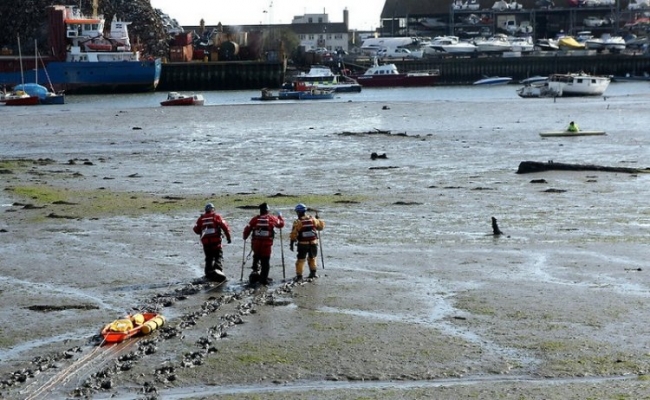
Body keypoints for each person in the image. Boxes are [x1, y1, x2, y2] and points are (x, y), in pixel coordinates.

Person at [243, 202, 285, 285]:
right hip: (266, 245)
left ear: (260, 211)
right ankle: (263, 279)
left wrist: (245, 236)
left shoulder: (255, 219)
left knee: (256, 257)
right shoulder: (271, 218)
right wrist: (280, 216)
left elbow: (247, 228)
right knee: (265, 263)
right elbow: (281, 224)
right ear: (267, 211)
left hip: (256, 244)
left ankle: (255, 273)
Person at [193, 203, 232, 282]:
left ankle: (208, 274)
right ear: (213, 209)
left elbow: (196, 230)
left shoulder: (201, 218)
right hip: (216, 242)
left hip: (206, 243)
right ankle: (218, 271)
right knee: (218, 257)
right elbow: (225, 227)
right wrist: (228, 237)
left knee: (208, 259)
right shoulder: (216, 217)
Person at [289, 203, 325, 282]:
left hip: (303, 244)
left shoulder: (298, 222)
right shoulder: (313, 219)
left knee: (301, 260)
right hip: (313, 243)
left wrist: (291, 244)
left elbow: (293, 234)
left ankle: (299, 276)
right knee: (312, 258)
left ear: (298, 212)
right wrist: (319, 219)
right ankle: (313, 273)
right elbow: (321, 227)